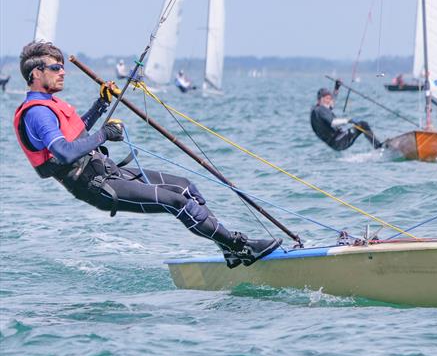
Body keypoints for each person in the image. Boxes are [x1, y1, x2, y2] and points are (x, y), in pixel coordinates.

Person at [13, 41, 279, 269]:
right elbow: (63, 151)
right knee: (177, 202)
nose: (63, 73)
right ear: (36, 73)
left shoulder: (50, 104)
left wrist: (101, 104)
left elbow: (76, 134)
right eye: (56, 68)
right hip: (96, 186)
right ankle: (240, 246)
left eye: (63, 67)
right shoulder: (37, 112)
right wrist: (105, 134)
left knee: (186, 188)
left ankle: (228, 247)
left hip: (106, 171)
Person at [310, 79, 382, 151]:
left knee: (361, 126)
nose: (328, 101)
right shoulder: (320, 110)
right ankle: (378, 147)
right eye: (326, 98)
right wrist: (348, 120)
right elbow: (333, 122)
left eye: (329, 98)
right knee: (363, 125)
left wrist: (336, 88)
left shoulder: (318, 110)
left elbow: (331, 104)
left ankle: (377, 146)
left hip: (336, 143)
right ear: (319, 100)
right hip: (339, 141)